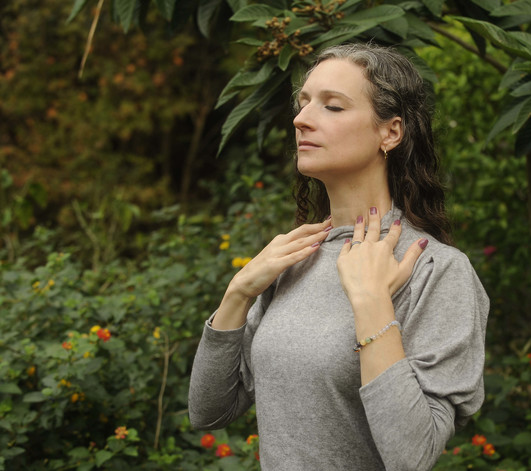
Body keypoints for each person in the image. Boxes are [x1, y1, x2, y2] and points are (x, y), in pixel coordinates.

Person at [188, 43, 489, 470]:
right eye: (303, 103)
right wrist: (238, 294)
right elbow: (209, 411)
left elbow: (413, 456)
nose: (300, 119)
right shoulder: (295, 258)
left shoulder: (435, 270)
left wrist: (371, 304)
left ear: (391, 132)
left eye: (332, 106)